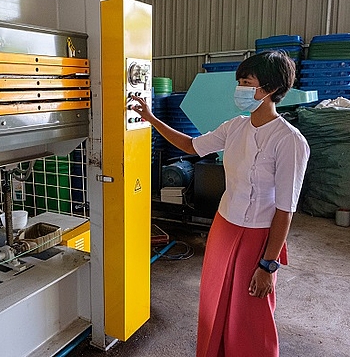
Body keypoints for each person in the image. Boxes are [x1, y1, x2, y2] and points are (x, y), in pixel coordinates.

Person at [131, 51, 310, 357]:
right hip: (224, 226)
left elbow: (285, 209)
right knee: (214, 300)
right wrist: (151, 119)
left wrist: (268, 264)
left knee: (249, 310)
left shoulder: (289, 141)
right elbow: (192, 145)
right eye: (239, 82)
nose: (240, 89)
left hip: (258, 234)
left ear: (270, 88)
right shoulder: (235, 127)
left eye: (247, 83)